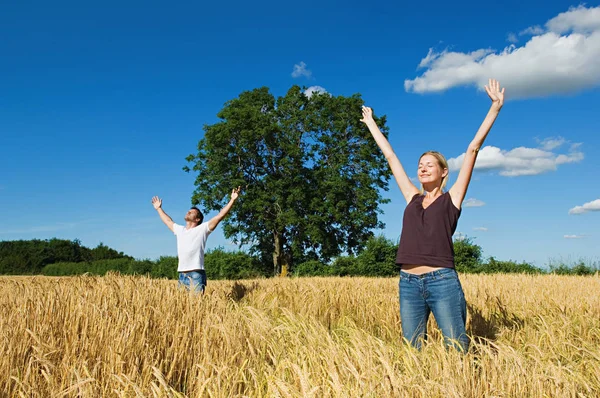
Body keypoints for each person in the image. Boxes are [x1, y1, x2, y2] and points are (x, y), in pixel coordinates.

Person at [360, 79, 505, 351]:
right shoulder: (411, 198)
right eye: (420, 165)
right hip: (408, 283)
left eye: (429, 165)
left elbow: (473, 148)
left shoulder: (453, 199)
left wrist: (495, 108)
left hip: (442, 282)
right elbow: (391, 157)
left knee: (456, 348)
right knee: (412, 349)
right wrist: (371, 125)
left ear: (443, 172)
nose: (423, 168)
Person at [151, 187, 241, 293]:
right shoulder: (180, 230)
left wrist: (232, 200)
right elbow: (168, 221)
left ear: (197, 219)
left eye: (191, 212)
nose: (188, 212)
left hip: (196, 274)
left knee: (197, 306)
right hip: (181, 274)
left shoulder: (202, 229)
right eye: (188, 211)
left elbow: (220, 216)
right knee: (182, 307)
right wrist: (159, 209)